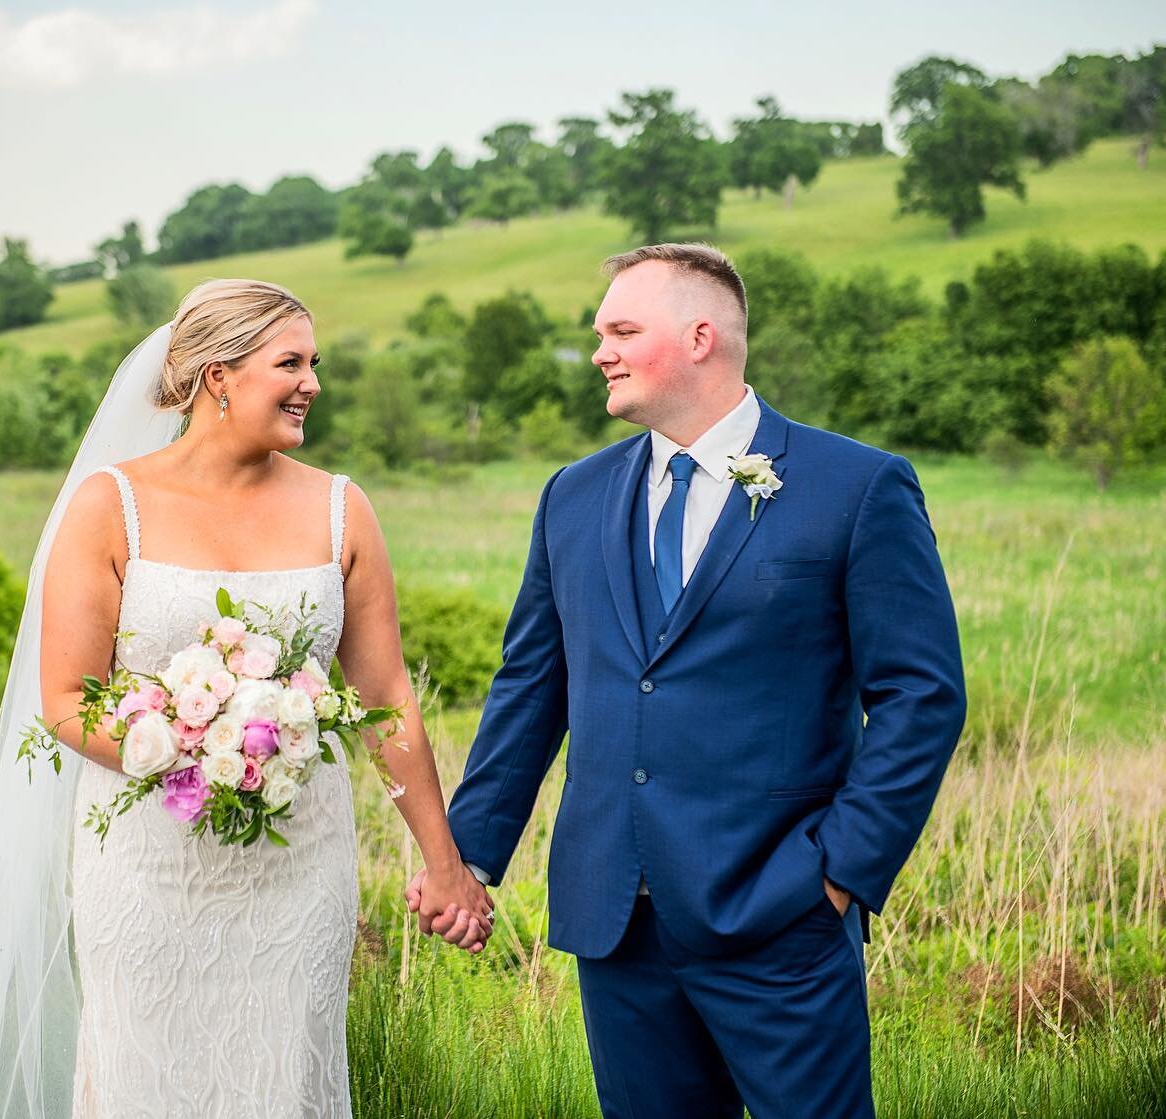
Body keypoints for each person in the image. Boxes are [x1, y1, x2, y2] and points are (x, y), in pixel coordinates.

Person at [0, 279, 490, 1119]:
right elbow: (65, 696)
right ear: (217, 375)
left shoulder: (343, 509)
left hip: (298, 865)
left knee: (286, 1076)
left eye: (315, 362)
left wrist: (444, 864)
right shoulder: (109, 505)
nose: (312, 382)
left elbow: (385, 698)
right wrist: (189, 743)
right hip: (148, 862)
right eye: (290, 362)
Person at [411, 244, 967, 1118]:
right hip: (615, 922)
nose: (600, 350)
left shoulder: (856, 486)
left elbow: (922, 696)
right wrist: (470, 853)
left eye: (621, 329)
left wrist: (839, 872)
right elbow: (531, 685)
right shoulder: (573, 494)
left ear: (700, 336)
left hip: (779, 911)